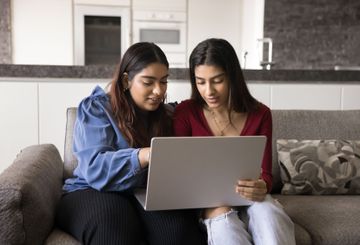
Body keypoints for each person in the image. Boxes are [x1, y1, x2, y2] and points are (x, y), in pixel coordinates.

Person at [56, 42, 206, 245]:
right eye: (148, 82)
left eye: (163, 82)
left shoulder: (169, 115)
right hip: (91, 190)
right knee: (114, 226)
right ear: (126, 80)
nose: (158, 91)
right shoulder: (97, 108)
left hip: (143, 193)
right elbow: (95, 168)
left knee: (177, 233)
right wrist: (145, 155)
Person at [173, 38, 296, 245]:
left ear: (232, 76)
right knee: (224, 223)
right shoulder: (185, 113)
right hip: (209, 204)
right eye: (200, 82)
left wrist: (261, 186)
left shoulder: (261, 114)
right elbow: (179, 173)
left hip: (250, 199)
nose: (209, 91)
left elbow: (265, 174)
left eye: (217, 80)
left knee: (268, 213)